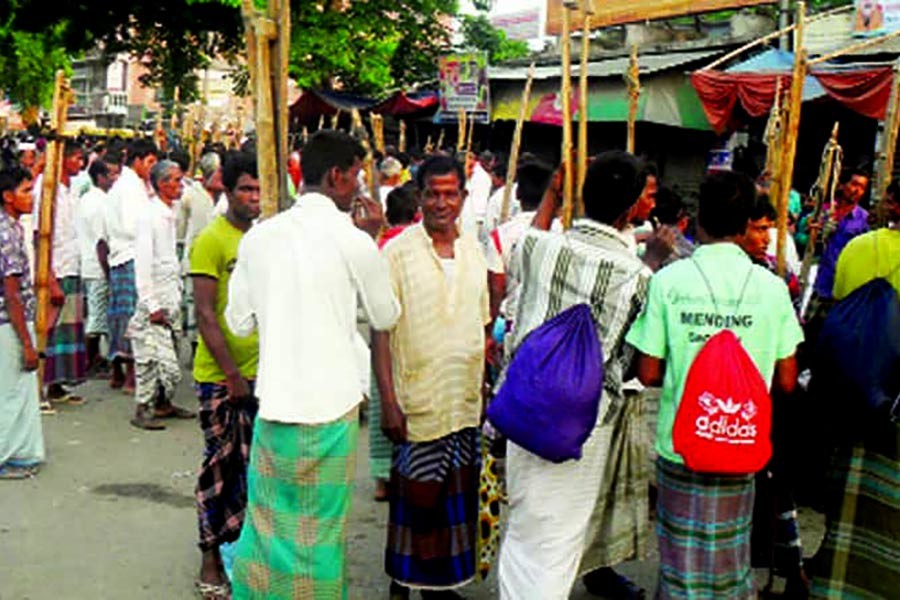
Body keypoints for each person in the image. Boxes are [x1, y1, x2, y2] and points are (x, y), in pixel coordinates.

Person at [226, 130, 399, 600]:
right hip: (331, 407)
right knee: (320, 535)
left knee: (270, 530)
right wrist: (373, 240)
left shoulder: (260, 237)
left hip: (279, 402)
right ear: (336, 176)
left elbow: (238, 322)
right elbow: (386, 315)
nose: (360, 188)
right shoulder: (355, 240)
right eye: (358, 177)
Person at [625, 170, 804, 599]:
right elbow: (786, 379)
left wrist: (692, 369)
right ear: (745, 226)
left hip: (681, 441)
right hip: (741, 441)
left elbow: (647, 373)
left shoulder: (669, 282)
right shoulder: (773, 288)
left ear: (699, 221)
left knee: (680, 558)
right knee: (729, 556)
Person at [497, 152, 661, 600]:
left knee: (525, 526)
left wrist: (554, 193)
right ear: (631, 211)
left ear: (579, 193)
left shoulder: (537, 247)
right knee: (560, 541)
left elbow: (523, 249)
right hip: (584, 425)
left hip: (523, 409)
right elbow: (631, 364)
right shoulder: (637, 278)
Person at [373, 154, 490, 600]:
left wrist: (480, 391)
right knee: (416, 500)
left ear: (462, 197)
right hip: (416, 398)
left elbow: (481, 326)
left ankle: (438, 586)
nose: (442, 203)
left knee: (452, 499)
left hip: (461, 399)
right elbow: (382, 332)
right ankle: (402, 582)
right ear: (419, 197)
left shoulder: (473, 250)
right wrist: (388, 400)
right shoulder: (397, 252)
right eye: (433, 194)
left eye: (450, 194)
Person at [808, 181, 900, 598]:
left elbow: (835, 310)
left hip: (851, 398)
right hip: (893, 406)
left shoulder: (858, 248)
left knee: (847, 503)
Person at [190, 152, 261, 599]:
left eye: (258, 190)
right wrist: (232, 375)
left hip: (264, 375)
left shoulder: (266, 240)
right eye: (245, 190)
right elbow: (204, 314)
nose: (253, 198)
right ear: (228, 191)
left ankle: (245, 552)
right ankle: (210, 555)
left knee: (253, 471)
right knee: (219, 467)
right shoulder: (211, 241)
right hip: (220, 376)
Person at [128, 160, 194, 430]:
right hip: (154, 297)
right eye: (176, 181)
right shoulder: (150, 216)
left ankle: (163, 403)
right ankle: (143, 407)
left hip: (170, 293)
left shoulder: (169, 212)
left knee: (173, 351)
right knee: (153, 358)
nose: (181, 186)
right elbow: (142, 265)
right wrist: (151, 303)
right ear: (163, 184)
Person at [369, 182, 419, 502]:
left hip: (382, 333)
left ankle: (381, 479)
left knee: (381, 403)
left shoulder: (380, 244)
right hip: (408, 333)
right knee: (405, 404)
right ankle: (402, 471)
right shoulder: (411, 245)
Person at [32, 142, 87, 405]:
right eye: (76, 158)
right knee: (49, 330)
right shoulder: (45, 188)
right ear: (62, 159)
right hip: (54, 269)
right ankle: (39, 387)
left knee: (67, 330)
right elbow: (38, 234)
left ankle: (56, 384)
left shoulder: (70, 189)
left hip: (72, 264)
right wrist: (50, 278)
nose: (81, 162)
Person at [0, 167, 45, 479]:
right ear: (7, 196)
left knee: (17, 389)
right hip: (9, 322)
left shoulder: (13, 228)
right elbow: (11, 293)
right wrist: (28, 344)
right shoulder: (6, 233)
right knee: (11, 390)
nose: (31, 197)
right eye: (26, 191)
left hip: (14, 320)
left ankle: (18, 451)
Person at [105, 138, 159, 393]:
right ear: (137, 161)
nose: (152, 167)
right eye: (149, 162)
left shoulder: (130, 186)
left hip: (122, 255)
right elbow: (131, 225)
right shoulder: (129, 188)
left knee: (120, 313)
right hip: (130, 255)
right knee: (131, 316)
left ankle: (119, 372)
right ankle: (129, 376)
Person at [485, 158, 554, 322]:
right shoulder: (563, 233)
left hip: (512, 321)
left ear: (517, 193)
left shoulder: (501, 236)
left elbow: (496, 289)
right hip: (549, 325)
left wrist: (489, 329)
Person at [76, 158, 120, 376]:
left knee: (98, 312)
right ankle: (92, 359)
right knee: (98, 314)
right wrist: (108, 271)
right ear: (100, 177)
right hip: (97, 265)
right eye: (111, 174)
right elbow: (101, 241)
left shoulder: (89, 199)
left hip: (90, 262)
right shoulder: (98, 202)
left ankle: (96, 357)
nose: (114, 179)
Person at [179, 152, 224, 355]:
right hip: (194, 256)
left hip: (218, 259)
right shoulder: (190, 195)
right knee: (193, 302)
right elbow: (180, 229)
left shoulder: (225, 198)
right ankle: (196, 343)